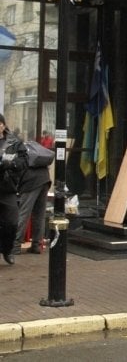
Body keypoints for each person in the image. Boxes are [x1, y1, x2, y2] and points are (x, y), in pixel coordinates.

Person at [13, 145, 51, 255]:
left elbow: (15, 174)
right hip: (44, 179)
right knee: (39, 215)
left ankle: (15, 246)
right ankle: (36, 245)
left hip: (31, 183)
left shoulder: (14, 152)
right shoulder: (28, 150)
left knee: (23, 214)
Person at [0, 113, 20, 265]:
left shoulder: (14, 142)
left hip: (7, 188)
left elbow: (24, 161)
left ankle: (7, 249)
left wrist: (11, 165)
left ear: (3, 125)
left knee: (11, 223)